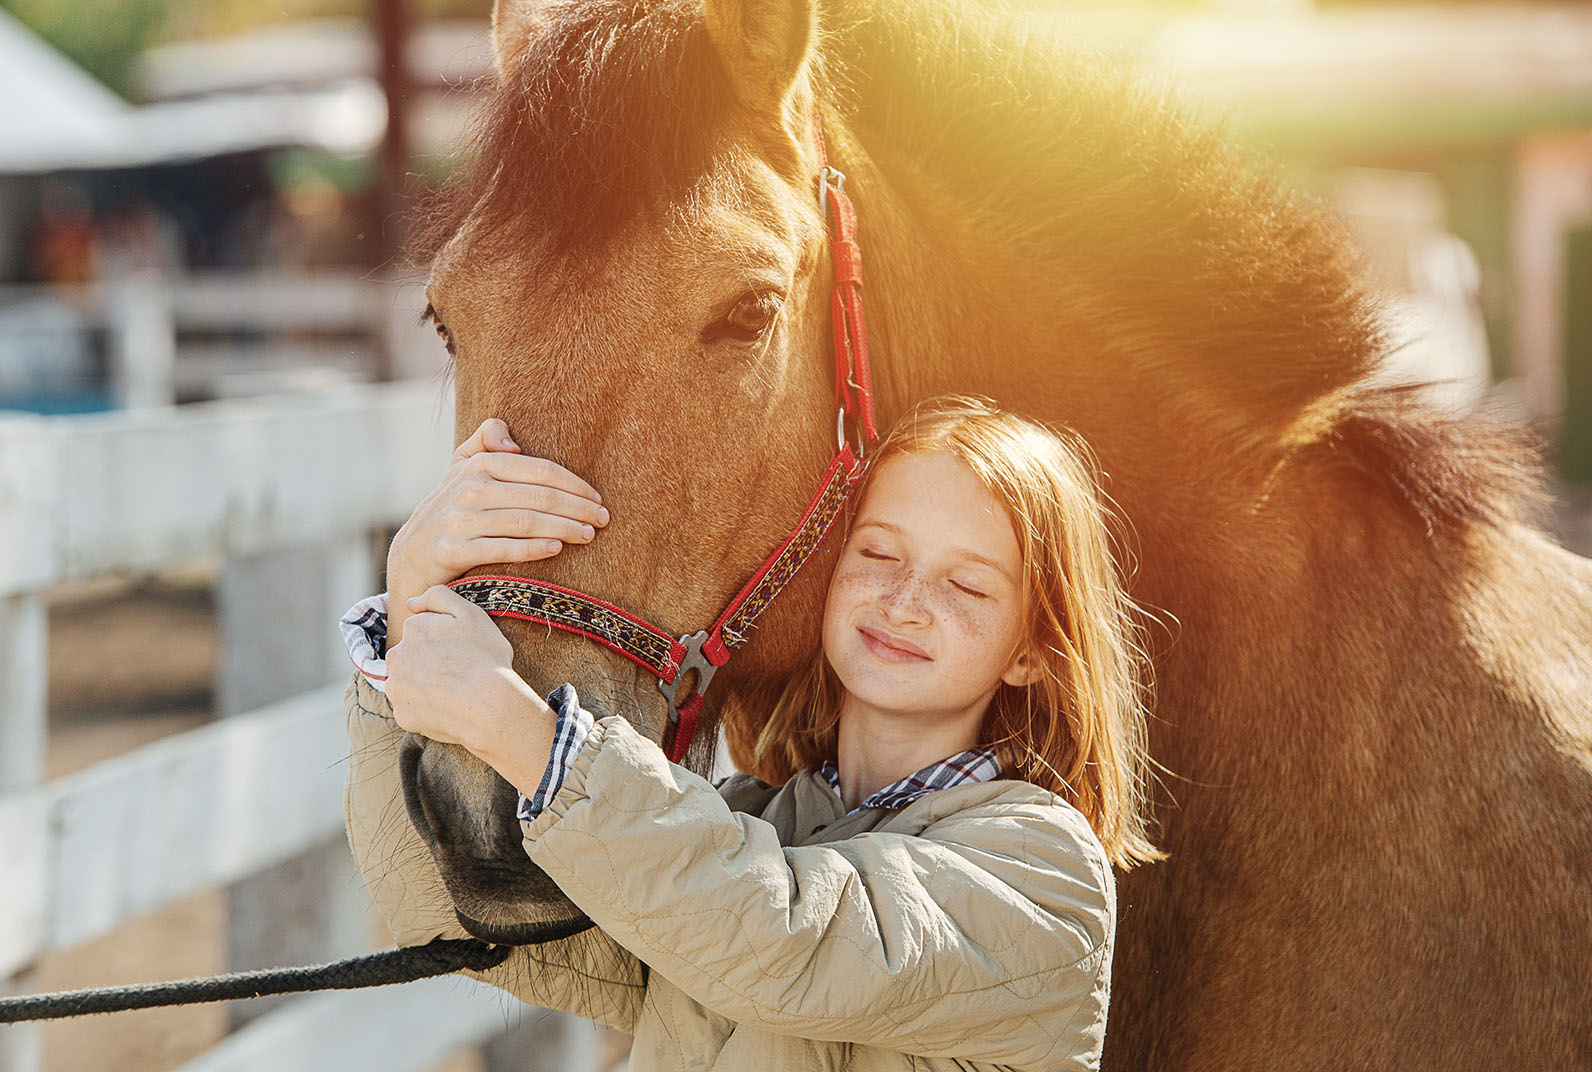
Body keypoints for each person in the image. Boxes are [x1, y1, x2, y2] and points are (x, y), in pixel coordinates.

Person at [340, 395, 1160, 1072]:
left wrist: (514, 724)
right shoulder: (744, 824)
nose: (907, 600)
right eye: (878, 552)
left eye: (967, 586)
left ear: (1030, 651)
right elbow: (472, 926)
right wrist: (416, 602)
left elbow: (782, 937)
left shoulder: (1044, 874)